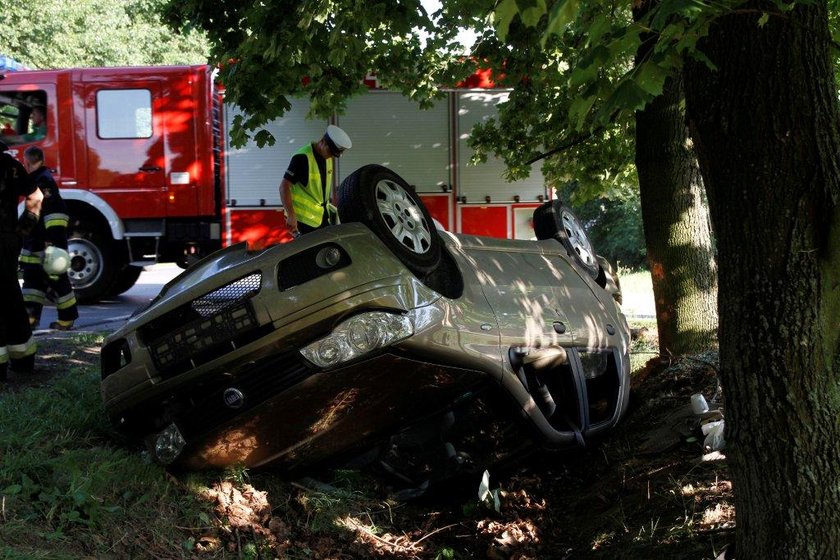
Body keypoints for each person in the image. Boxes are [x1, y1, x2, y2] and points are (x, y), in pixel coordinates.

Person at [19, 146, 78, 331]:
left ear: (27, 162)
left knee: (56, 279)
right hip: (35, 241)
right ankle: (29, 319)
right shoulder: (38, 179)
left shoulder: (43, 181)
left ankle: (66, 320)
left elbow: (55, 213)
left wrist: (51, 243)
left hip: (45, 242)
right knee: (32, 281)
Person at [0, 139, 43, 380]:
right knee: (11, 295)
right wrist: (22, 231)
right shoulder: (11, 165)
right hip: (7, 240)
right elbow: (36, 195)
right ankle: (23, 360)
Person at [278, 125, 352, 237]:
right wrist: (291, 215)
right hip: (303, 220)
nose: (331, 156)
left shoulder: (327, 158)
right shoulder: (302, 157)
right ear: (323, 142)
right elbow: (284, 187)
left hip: (321, 217)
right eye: (330, 152)